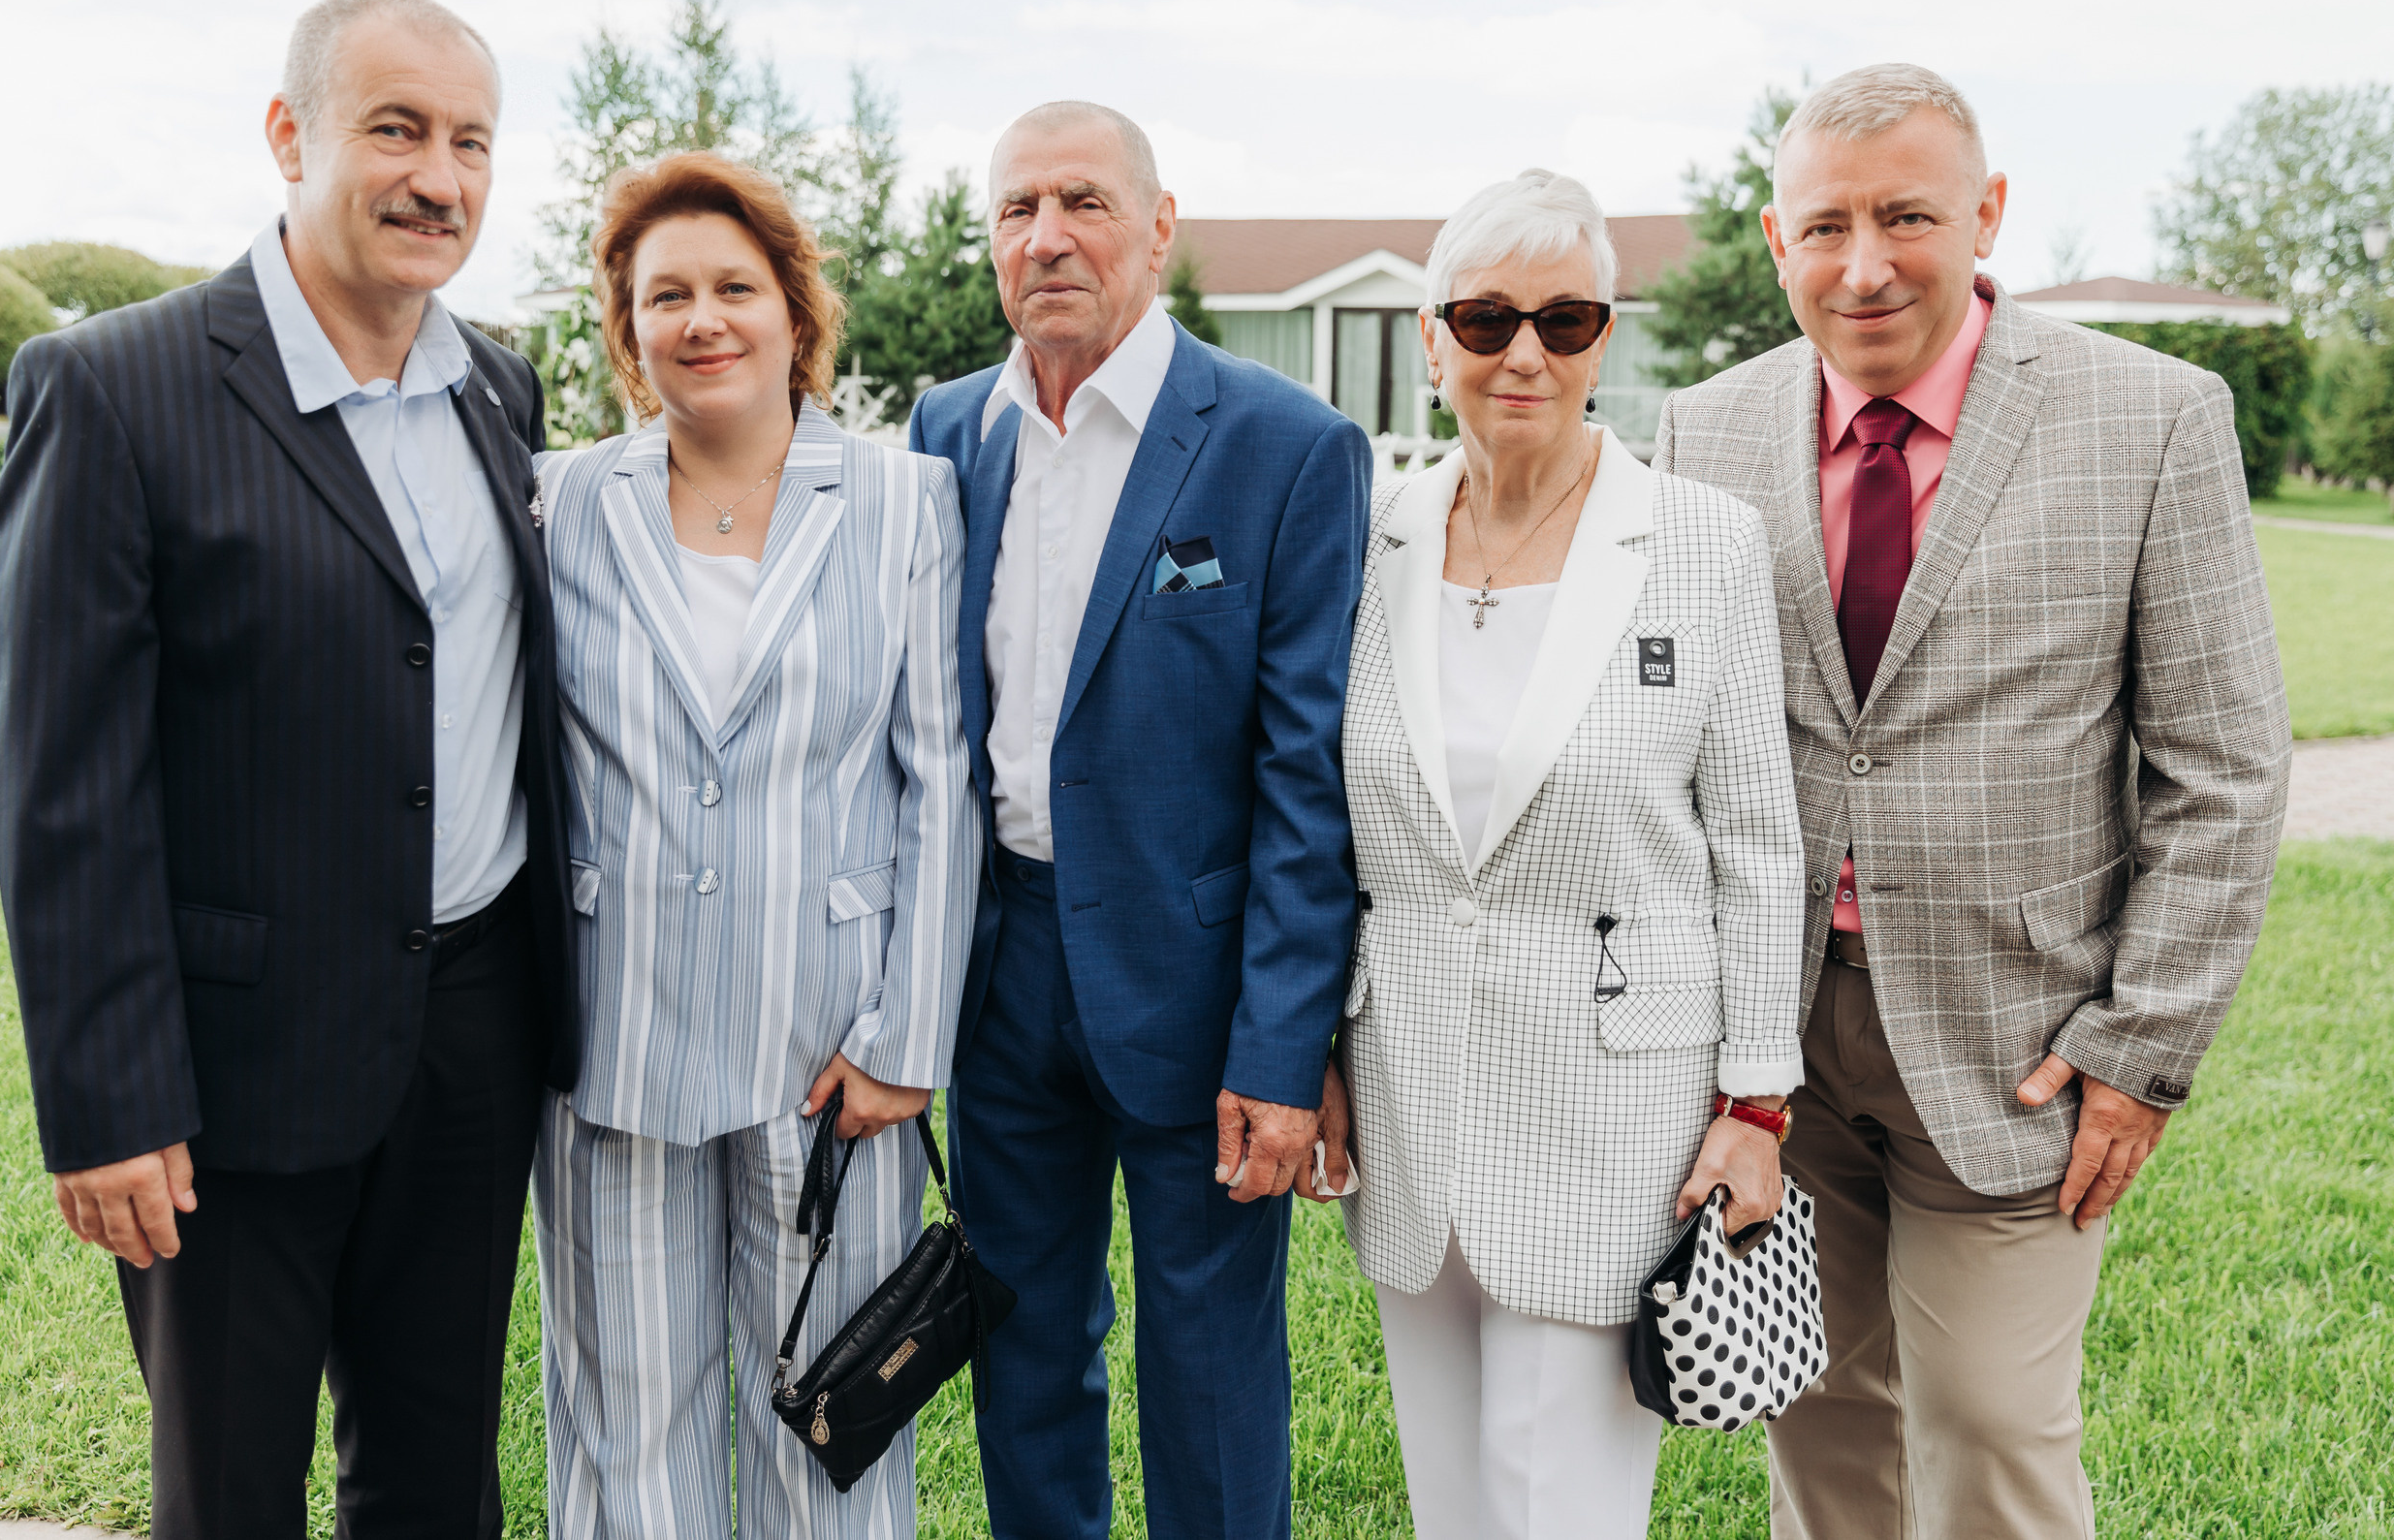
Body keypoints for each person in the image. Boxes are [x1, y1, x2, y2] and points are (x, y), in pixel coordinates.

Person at [1654, 63, 2292, 1538]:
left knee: (1991, 1428)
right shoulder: (1706, 433)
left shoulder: (2152, 419)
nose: (1864, 265)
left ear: (1989, 212)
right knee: (1814, 1413)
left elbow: (2224, 768)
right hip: (1771, 1043)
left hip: (2024, 1049)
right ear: (1773, 239)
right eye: (1826, 226)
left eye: (1908, 217)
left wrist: (2140, 1050)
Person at [0, 0, 572, 1537]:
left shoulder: (501, 393)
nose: (437, 177)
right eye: (395, 129)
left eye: (469, 142)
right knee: (232, 1493)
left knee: (437, 1479)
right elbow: (64, 785)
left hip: (471, 1044)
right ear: (289, 135)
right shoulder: (112, 388)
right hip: (229, 1079)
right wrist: (107, 1096)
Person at [1305, 169, 1807, 1540]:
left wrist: (1757, 1107)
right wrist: (1318, 1057)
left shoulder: (1702, 544)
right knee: (1452, 1506)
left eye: (1566, 319)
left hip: (1614, 1114)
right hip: (1406, 1094)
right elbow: (1331, 836)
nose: (1524, 352)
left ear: (1605, 337)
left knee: (1566, 1511)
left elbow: (1760, 845)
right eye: (1484, 318)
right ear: (1430, 339)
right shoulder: (1370, 538)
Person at [907, 101, 1370, 1539]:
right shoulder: (944, 433)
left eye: (1085, 203)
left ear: (1159, 228)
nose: (1046, 237)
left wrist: (1284, 1049)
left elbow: (1310, 778)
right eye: (1015, 209)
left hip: (1200, 987)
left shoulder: (1288, 449)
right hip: (1001, 980)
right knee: (1026, 1353)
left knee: (1210, 1371)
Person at [528, 150, 980, 1539]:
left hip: (833, 1048)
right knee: (625, 1425)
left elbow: (941, 781)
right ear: (628, 332)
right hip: (618, 1033)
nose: (702, 318)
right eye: (666, 296)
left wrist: (909, 1037)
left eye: (735, 286)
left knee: (828, 1422)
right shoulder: (559, 502)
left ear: (796, 312)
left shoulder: (906, 502)